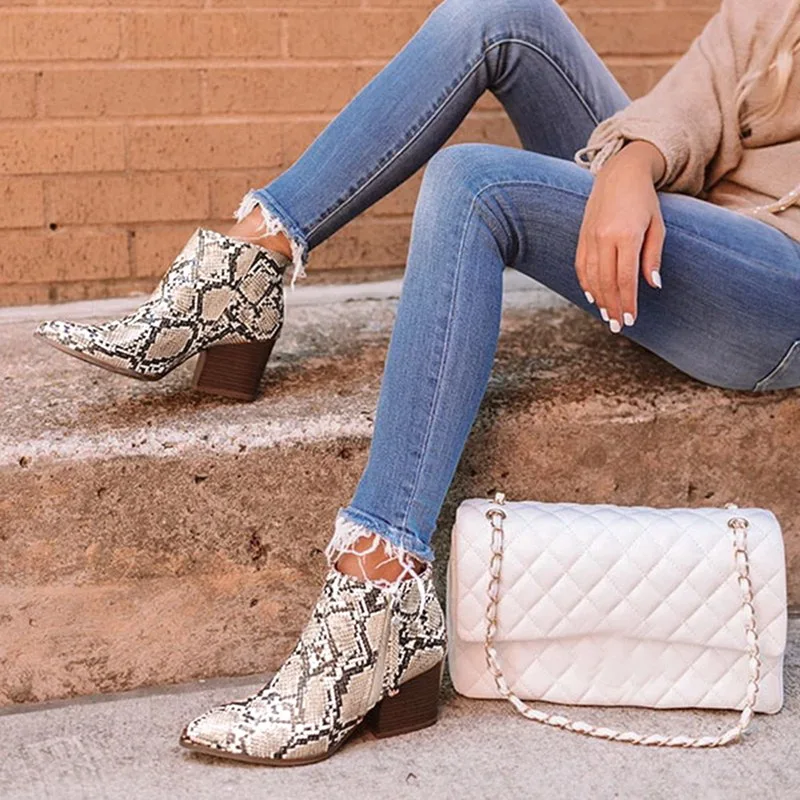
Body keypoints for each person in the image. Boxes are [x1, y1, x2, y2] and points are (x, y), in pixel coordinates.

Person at [34, 0, 799, 766]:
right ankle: (244, 269)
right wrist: (632, 163)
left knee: (474, 184)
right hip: (693, 209)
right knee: (502, 13)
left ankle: (377, 595)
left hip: (773, 282)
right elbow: (705, 85)